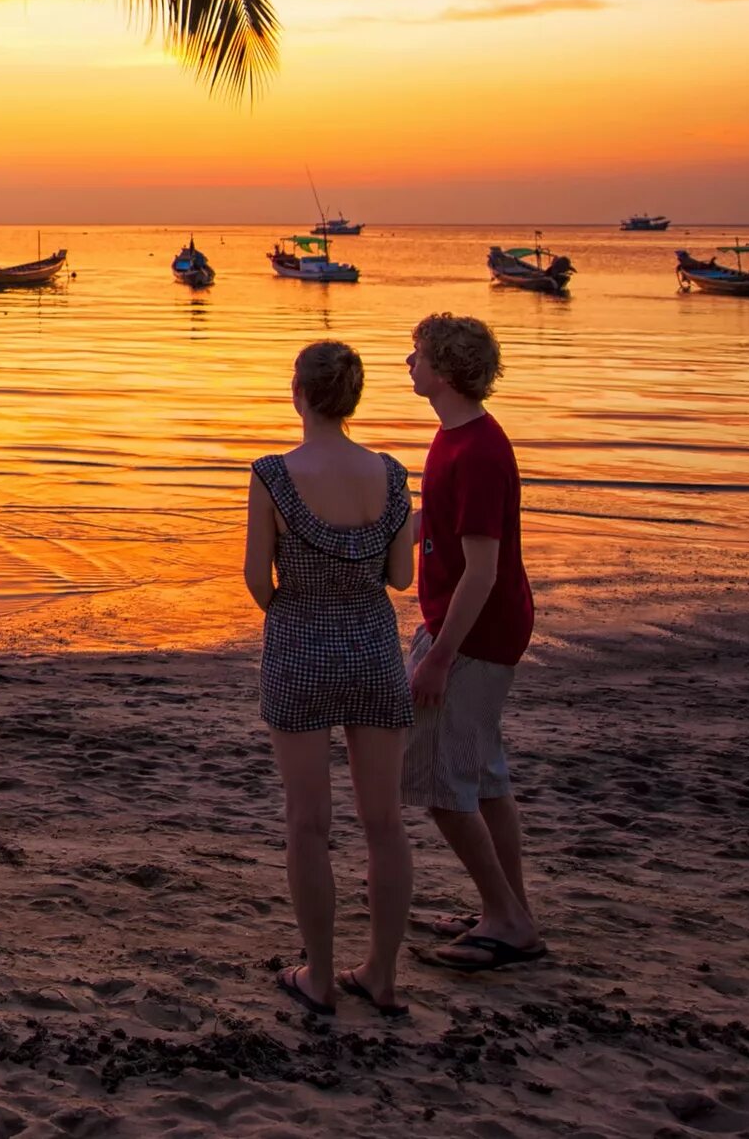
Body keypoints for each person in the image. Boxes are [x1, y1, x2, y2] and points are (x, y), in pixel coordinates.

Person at [244, 340, 417, 1018]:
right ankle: (381, 974)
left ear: (301, 394)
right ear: (353, 398)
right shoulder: (393, 474)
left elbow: (259, 580)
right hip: (373, 648)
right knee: (384, 824)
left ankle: (319, 976)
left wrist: (295, 610)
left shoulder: (273, 475)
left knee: (308, 823)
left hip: (300, 645)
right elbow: (401, 577)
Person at [402, 312, 545, 971]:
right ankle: (507, 907)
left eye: (418, 354)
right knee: (485, 777)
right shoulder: (453, 437)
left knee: (439, 784)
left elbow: (483, 569)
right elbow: (438, 522)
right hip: (469, 627)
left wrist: (438, 655)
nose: (410, 363)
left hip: (476, 635)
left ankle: (508, 921)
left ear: (448, 370)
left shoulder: (481, 451)